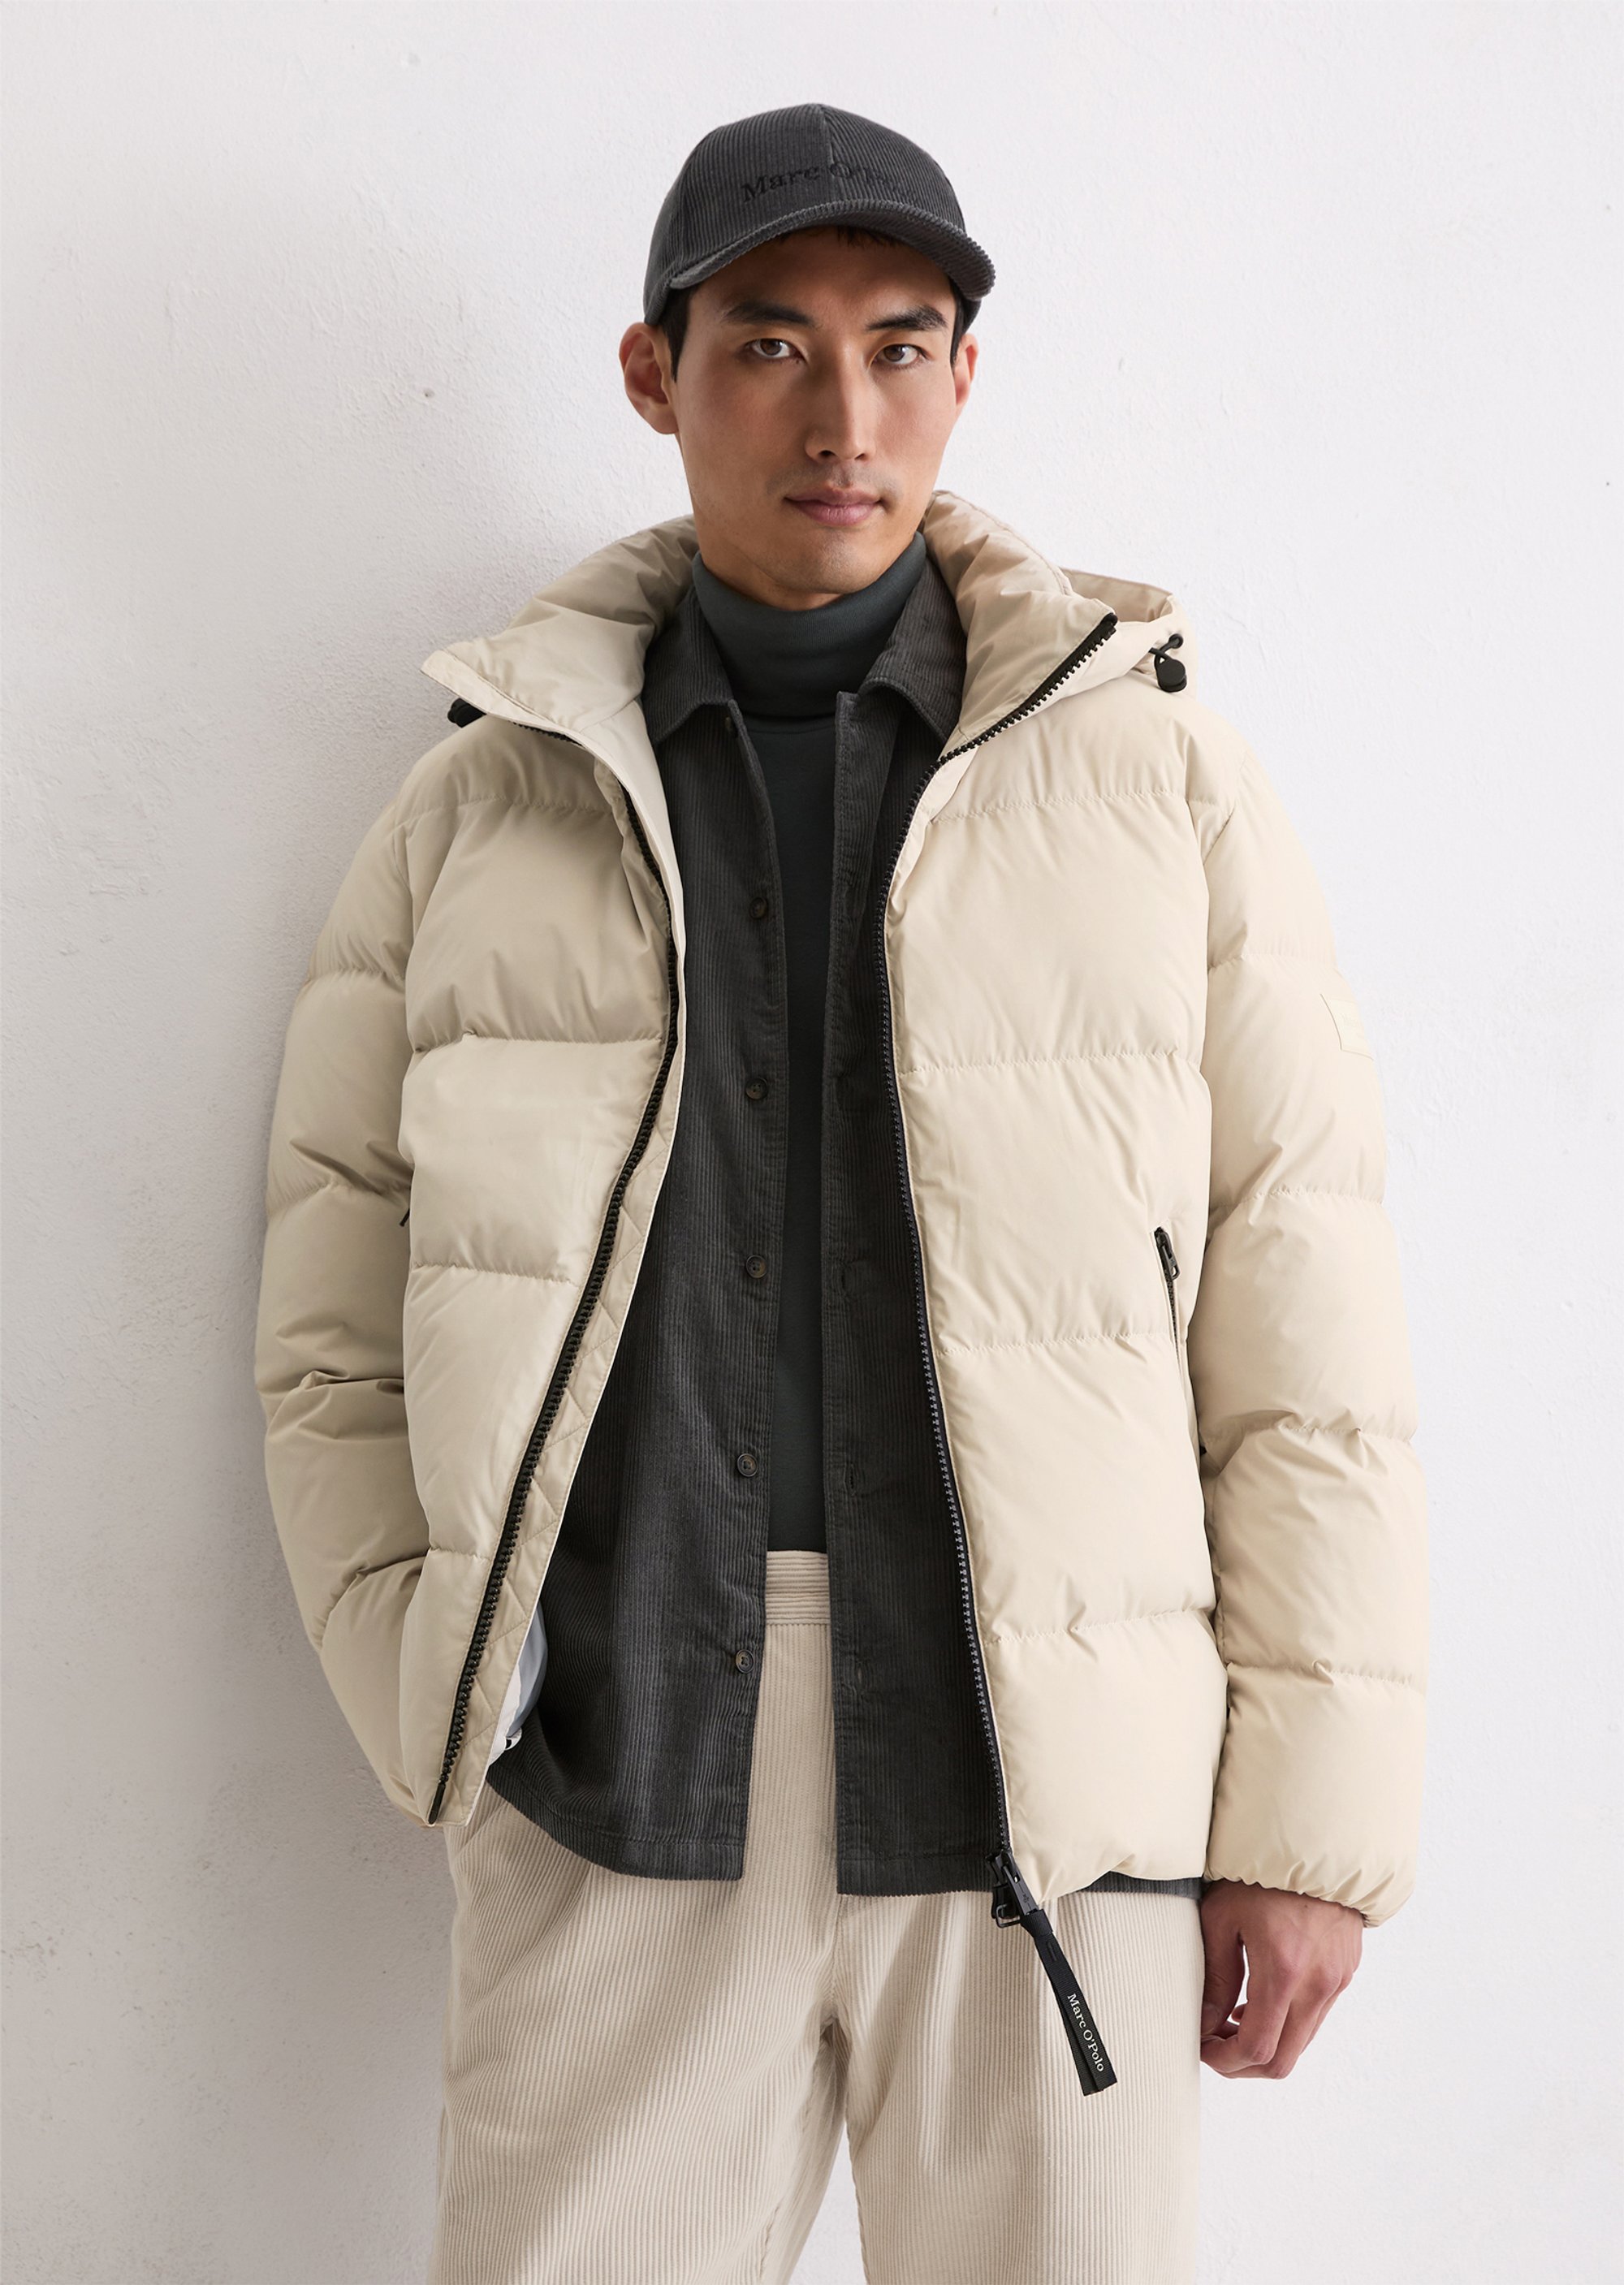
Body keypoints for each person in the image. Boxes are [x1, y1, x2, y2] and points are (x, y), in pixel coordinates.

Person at [254, 102, 1427, 2285]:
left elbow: (1306, 1307)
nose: (843, 415)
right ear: (657, 375)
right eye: (773, 345)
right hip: (619, 1765)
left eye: (898, 347)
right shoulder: (483, 806)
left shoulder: (1155, 776)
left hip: (1052, 1793)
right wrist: (444, 1694)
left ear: (965, 377)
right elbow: (329, 1318)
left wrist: (1310, 1826)